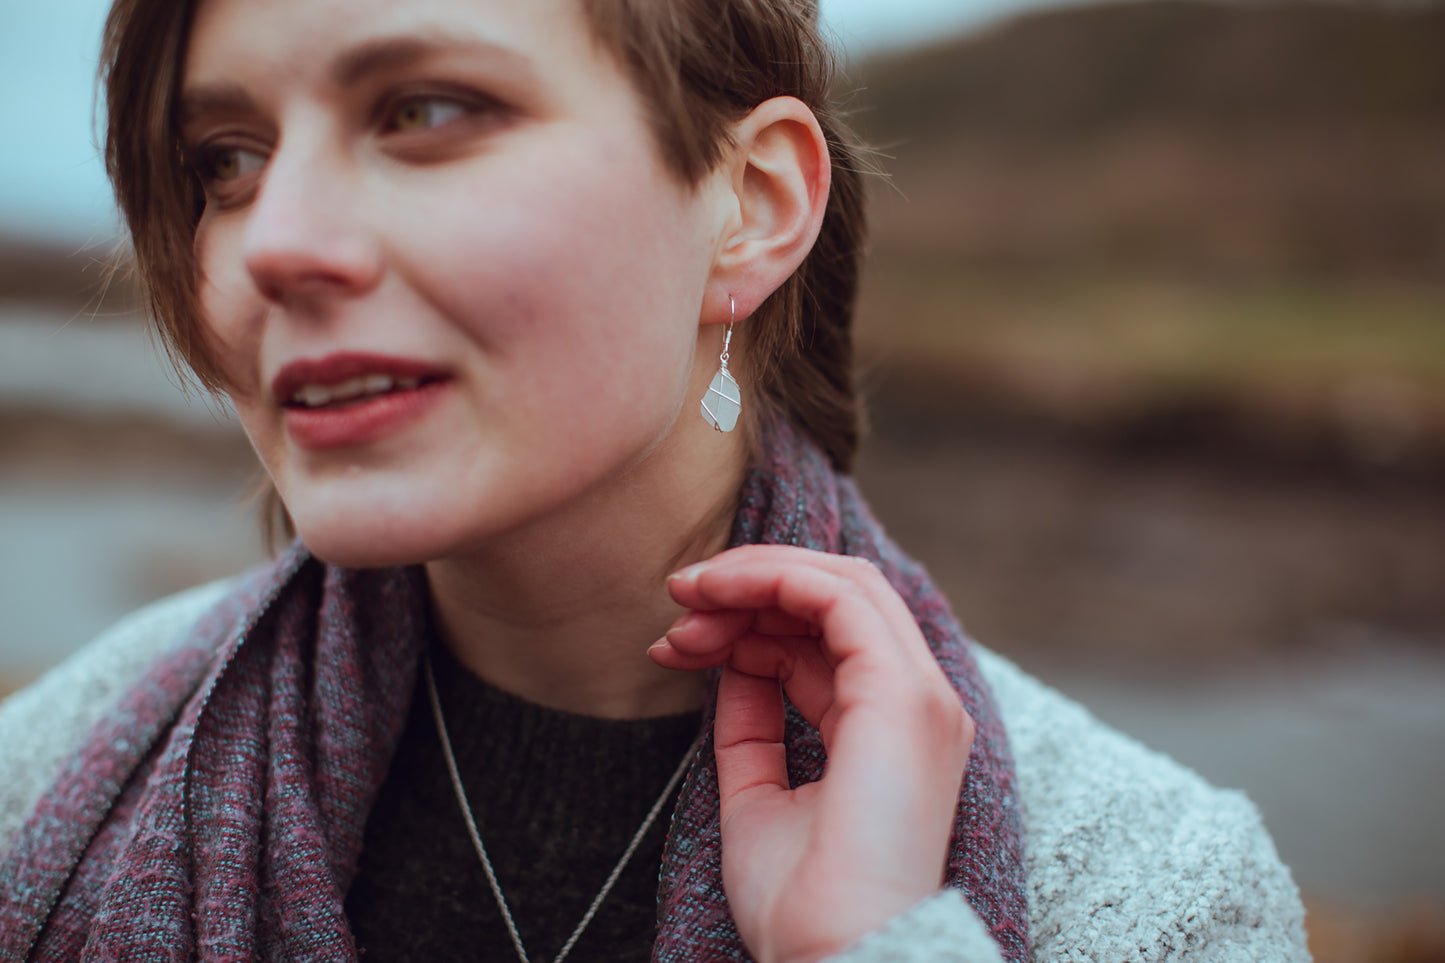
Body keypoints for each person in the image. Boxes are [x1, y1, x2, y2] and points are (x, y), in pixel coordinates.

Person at [0, 0, 1310, 960]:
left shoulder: (1157, 898)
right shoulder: (47, 779)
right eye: (222, 161)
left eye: (426, 111)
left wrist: (875, 951)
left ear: (748, 203)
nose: (271, 243)